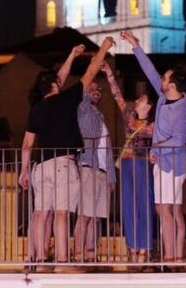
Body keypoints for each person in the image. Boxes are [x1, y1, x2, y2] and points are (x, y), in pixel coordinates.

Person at [19, 37, 115, 266]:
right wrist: (103, 48)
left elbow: (26, 145)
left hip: (40, 166)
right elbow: (92, 71)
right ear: (55, 84)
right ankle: (62, 260)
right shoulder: (67, 99)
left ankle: (40, 258)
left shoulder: (36, 109)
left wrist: (24, 171)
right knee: (61, 213)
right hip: (63, 163)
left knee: (41, 212)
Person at [120, 30, 186, 263]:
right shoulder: (163, 98)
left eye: (164, 78)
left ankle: (171, 257)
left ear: (172, 84)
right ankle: (175, 255)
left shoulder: (181, 109)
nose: (160, 80)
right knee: (171, 210)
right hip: (164, 161)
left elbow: (179, 140)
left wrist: (155, 148)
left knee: (164, 209)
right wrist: (134, 45)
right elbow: (150, 70)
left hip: (172, 163)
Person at [102, 62, 156, 263]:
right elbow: (117, 97)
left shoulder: (154, 125)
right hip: (126, 165)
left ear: (148, 106)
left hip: (143, 165)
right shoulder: (130, 119)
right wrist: (109, 74)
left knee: (144, 205)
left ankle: (145, 249)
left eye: (141, 99)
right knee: (129, 207)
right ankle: (133, 247)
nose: (136, 100)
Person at [73, 75, 116, 262]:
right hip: (88, 166)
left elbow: (107, 149)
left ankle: (91, 255)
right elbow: (82, 90)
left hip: (101, 171)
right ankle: (78, 254)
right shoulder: (83, 111)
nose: (96, 91)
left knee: (96, 216)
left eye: (98, 89)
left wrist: (111, 176)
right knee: (85, 215)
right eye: (92, 89)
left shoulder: (100, 116)